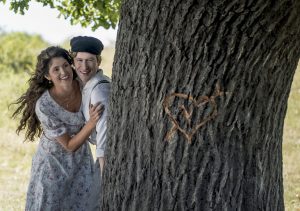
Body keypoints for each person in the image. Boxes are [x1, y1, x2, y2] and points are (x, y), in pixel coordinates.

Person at [12, 46, 102, 210]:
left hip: (81, 161)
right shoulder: (45, 105)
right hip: (52, 165)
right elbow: (69, 146)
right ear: (48, 76)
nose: (63, 72)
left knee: (83, 204)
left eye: (66, 65)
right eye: (56, 69)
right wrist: (91, 124)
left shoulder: (84, 87)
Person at [70, 36, 111, 175]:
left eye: (90, 60)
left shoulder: (99, 89)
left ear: (98, 61)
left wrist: (103, 169)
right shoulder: (84, 84)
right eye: (79, 60)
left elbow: (104, 129)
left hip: (106, 156)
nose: (84, 66)